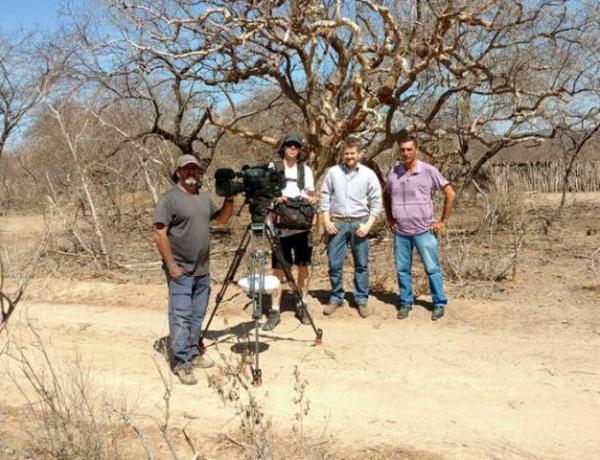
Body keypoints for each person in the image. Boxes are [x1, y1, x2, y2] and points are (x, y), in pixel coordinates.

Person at [153, 154, 235, 385]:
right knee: (181, 315)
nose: (191, 173)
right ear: (178, 171)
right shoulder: (170, 199)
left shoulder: (202, 196)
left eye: (194, 170)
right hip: (181, 271)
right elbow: (159, 233)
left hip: (202, 270)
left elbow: (221, 221)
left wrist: (229, 199)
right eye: (186, 169)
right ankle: (180, 362)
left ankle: (192, 352)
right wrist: (171, 265)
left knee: (197, 315)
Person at [383, 136, 456, 321]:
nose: (406, 153)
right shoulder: (394, 173)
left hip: (424, 231)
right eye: (402, 150)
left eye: (409, 149)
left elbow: (450, 193)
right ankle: (406, 302)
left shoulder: (429, 171)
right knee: (402, 269)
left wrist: (442, 221)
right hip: (401, 232)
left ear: (417, 150)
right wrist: (390, 217)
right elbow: (386, 194)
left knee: (432, 268)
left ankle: (439, 303)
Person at [319, 137, 383, 318]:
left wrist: (368, 224)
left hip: (359, 223)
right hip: (337, 223)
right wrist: (326, 221)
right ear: (342, 154)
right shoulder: (333, 172)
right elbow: (324, 197)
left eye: (352, 153)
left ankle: (361, 299)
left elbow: (376, 201)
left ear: (359, 154)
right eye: (346, 153)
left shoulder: (368, 174)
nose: (349, 156)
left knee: (361, 264)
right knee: (334, 264)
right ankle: (336, 297)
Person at [263, 132, 318, 331]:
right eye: (289, 145)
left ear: (300, 149)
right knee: (279, 269)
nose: (293, 149)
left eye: (296, 146)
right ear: (283, 148)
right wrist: (274, 198)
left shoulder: (306, 171)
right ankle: (275, 310)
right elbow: (265, 193)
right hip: (279, 226)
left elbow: (311, 195)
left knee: (304, 266)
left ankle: (302, 303)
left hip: (302, 226)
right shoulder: (273, 168)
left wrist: (311, 201)